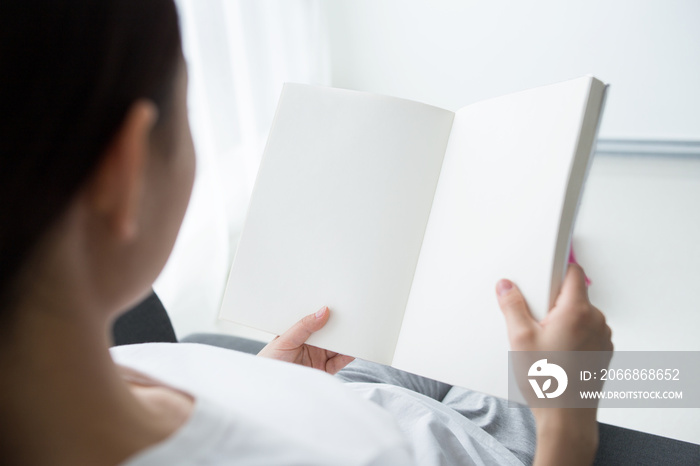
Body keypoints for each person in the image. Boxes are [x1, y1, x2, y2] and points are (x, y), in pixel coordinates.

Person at [0, 1, 613, 465]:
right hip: (418, 442)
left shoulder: (102, 369)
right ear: (123, 173)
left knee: (447, 328)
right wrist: (569, 419)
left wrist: (268, 377)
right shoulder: (362, 451)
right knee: (518, 378)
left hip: (325, 389)